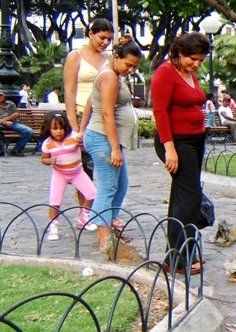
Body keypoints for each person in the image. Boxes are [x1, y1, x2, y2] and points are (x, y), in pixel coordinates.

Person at [151, 32, 212, 275]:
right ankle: (178, 256)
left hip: (195, 139)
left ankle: (181, 250)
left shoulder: (189, 74)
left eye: (200, 60)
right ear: (180, 53)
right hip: (177, 142)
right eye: (193, 59)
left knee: (182, 197)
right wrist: (169, 149)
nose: (196, 64)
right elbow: (160, 112)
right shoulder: (165, 73)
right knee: (189, 198)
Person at [80, 35, 141, 251]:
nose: (130, 70)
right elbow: (106, 114)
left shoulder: (111, 72)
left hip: (105, 138)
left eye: (134, 67)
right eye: (128, 65)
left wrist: (81, 130)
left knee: (121, 183)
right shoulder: (109, 76)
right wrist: (115, 148)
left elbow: (89, 101)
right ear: (116, 57)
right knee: (108, 186)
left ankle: (111, 223)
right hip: (102, 138)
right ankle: (103, 236)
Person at [64, 18, 114, 234]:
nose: (105, 42)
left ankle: (97, 211)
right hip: (79, 112)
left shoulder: (109, 58)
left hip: (101, 115)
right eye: (102, 37)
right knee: (83, 169)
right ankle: (84, 212)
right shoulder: (76, 56)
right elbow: (69, 90)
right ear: (90, 33)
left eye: (109, 39)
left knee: (103, 165)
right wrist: (74, 126)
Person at [40, 112, 97, 241]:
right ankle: (53, 225)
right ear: (48, 129)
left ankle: (85, 216)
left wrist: (81, 144)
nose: (59, 132)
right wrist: (49, 161)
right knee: (55, 201)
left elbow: (84, 146)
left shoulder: (73, 137)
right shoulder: (47, 144)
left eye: (61, 128)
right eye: (55, 129)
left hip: (77, 172)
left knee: (92, 193)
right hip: (60, 174)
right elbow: (43, 159)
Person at [0, 89, 34, 157]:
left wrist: (6, 119)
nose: (0, 97)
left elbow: (16, 114)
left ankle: (17, 150)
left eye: (1, 95)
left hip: (13, 123)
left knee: (29, 131)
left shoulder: (10, 104)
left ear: (4, 96)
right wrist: (4, 123)